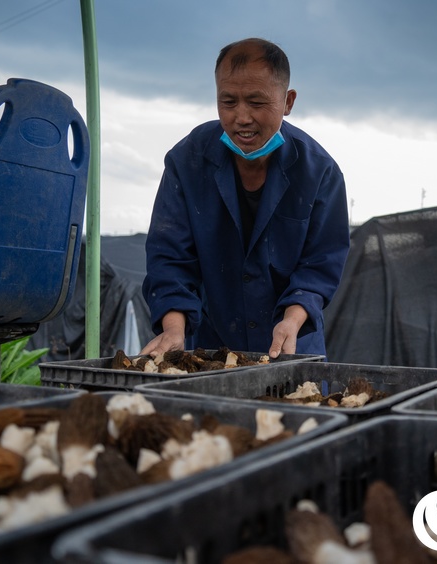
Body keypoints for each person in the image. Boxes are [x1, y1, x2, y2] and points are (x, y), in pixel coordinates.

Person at [140, 38, 350, 360]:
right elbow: (170, 256)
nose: (241, 117)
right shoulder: (187, 161)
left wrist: (291, 320)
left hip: (291, 345)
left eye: (256, 102)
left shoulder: (320, 173)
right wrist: (173, 328)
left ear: (288, 101)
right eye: (228, 102)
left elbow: (320, 265)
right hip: (212, 347)